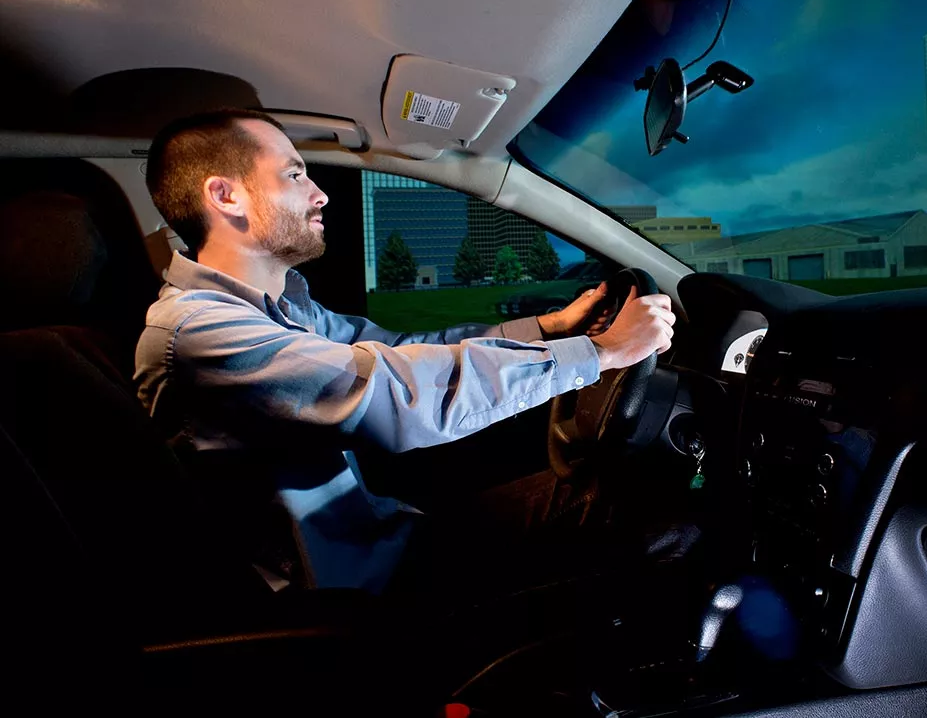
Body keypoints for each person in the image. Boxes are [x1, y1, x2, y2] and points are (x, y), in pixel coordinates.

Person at [134, 108, 675, 595]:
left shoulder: (281, 308)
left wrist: (549, 328)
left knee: (617, 496)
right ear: (225, 196)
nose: (320, 193)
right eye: (295, 174)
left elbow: (398, 351)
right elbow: (396, 394)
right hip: (350, 596)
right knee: (641, 510)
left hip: (380, 541)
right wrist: (600, 354)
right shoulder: (199, 332)